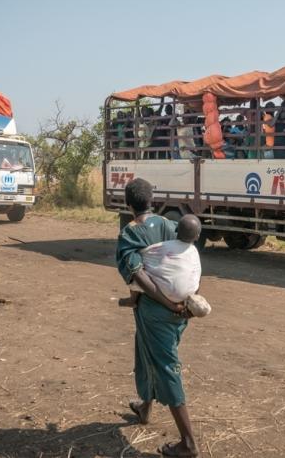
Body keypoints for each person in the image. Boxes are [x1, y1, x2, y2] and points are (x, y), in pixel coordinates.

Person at [116, 178, 199, 457]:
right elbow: (187, 260)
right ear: (153, 200)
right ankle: (145, 406)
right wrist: (186, 300)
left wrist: (165, 302)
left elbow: (138, 274)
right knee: (144, 350)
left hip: (156, 310)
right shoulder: (169, 225)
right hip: (179, 309)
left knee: (166, 366)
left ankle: (188, 443)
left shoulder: (130, 232)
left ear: (129, 204)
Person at [118, 214, 209, 317]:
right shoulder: (194, 252)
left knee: (138, 271)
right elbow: (197, 275)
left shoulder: (161, 247)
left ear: (176, 230)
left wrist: (171, 306)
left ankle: (132, 299)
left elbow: (138, 261)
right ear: (197, 237)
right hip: (186, 299)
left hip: (162, 298)